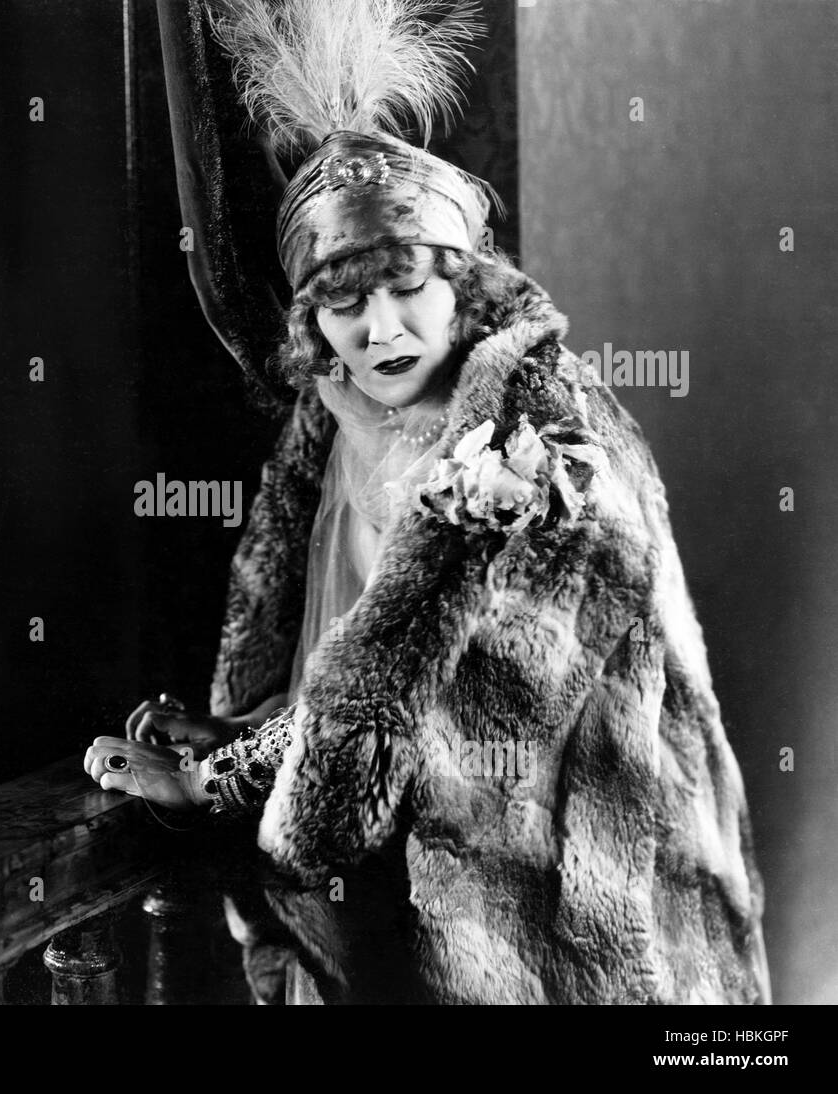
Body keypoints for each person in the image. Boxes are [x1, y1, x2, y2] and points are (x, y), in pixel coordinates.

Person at [85, 0, 769, 1004]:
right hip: (424, 923)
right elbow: (360, 663)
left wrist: (217, 781)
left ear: (466, 287)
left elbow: (453, 695)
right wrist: (248, 730)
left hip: (582, 940)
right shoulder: (334, 430)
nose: (383, 327)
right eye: (345, 301)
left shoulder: (546, 448)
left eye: (409, 288)